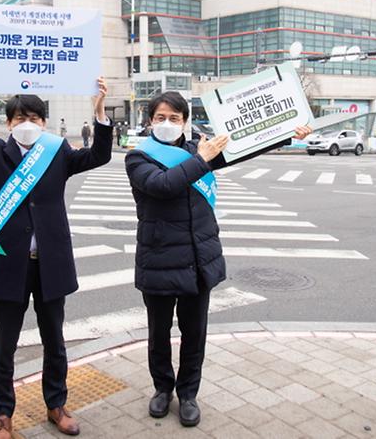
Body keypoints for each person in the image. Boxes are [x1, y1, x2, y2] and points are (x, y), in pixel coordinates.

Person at [125, 91, 311, 428]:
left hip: (199, 258)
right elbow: (163, 185)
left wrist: (287, 134)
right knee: (159, 333)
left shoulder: (200, 150)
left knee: (195, 333)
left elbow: (245, 147)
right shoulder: (139, 158)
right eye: (160, 117)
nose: (167, 123)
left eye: (174, 118)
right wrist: (202, 158)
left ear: (185, 121)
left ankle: (189, 394)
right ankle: (162, 389)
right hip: (159, 258)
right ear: (150, 121)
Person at [0, 64, 112, 439]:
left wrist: (100, 111)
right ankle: (3, 416)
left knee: (55, 341)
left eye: (35, 118)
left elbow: (98, 156)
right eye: (21, 118)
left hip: (50, 263)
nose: (28, 124)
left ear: (44, 122)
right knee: (3, 346)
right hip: (10, 264)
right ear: (9, 123)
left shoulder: (57, 152)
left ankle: (56, 405)